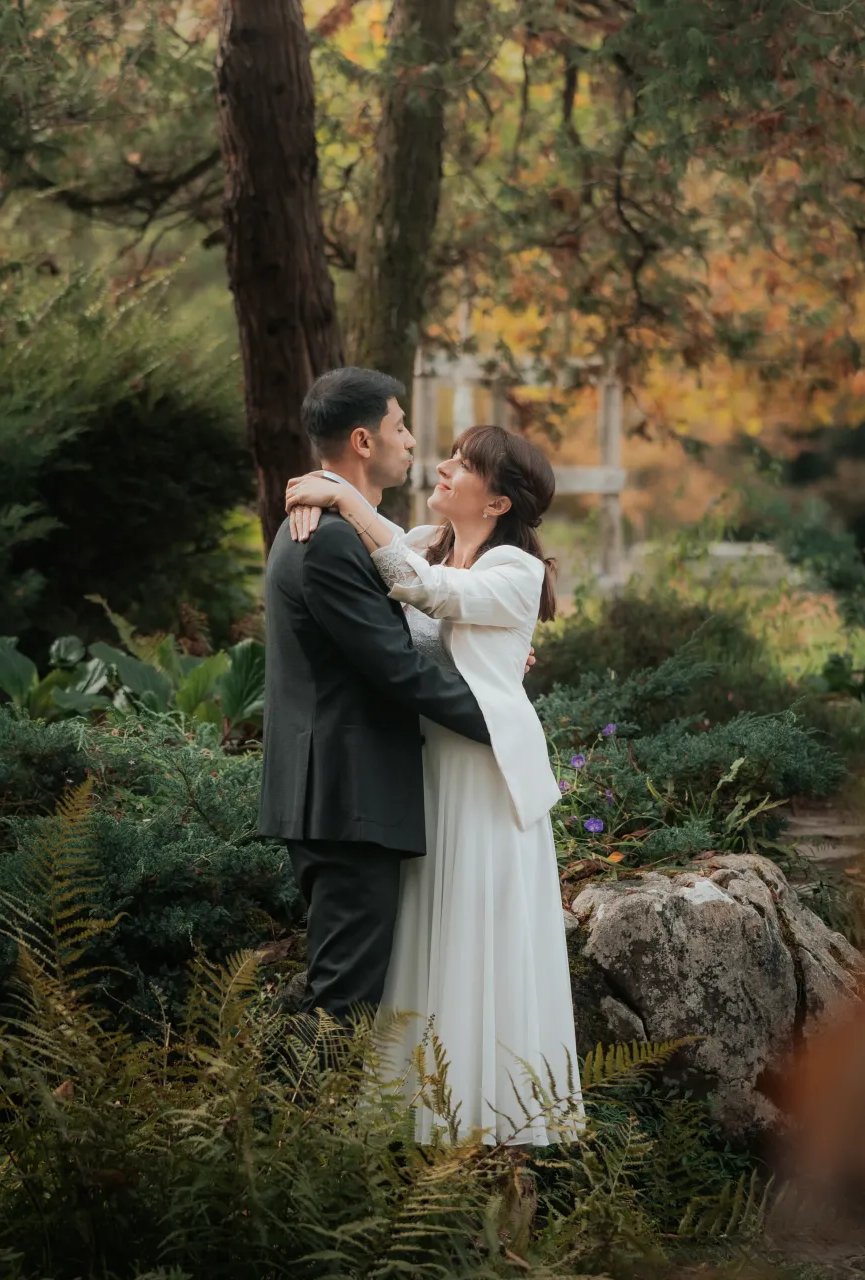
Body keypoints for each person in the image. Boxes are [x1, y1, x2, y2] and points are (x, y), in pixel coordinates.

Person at [284, 423, 583, 1148]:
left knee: (480, 938)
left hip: (484, 778)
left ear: (500, 501)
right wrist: (321, 499)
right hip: (427, 773)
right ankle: (419, 1132)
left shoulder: (516, 571)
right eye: (448, 455)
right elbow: (394, 551)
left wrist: (338, 496)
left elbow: (418, 590)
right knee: (428, 935)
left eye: (466, 464)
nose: (444, 467)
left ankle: (496, 1138)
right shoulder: (426, 539)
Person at [256, 367, 492, 1025]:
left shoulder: (336, 526)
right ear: (363, 441)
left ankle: (303, 1121)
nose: (413, 441)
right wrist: (501, 720)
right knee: (343, 1002)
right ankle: (295, 1127)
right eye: (400, 426)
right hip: (343, 798)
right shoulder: (324, 540)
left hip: (343, 797)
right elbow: (394, 668)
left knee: (348, 991)